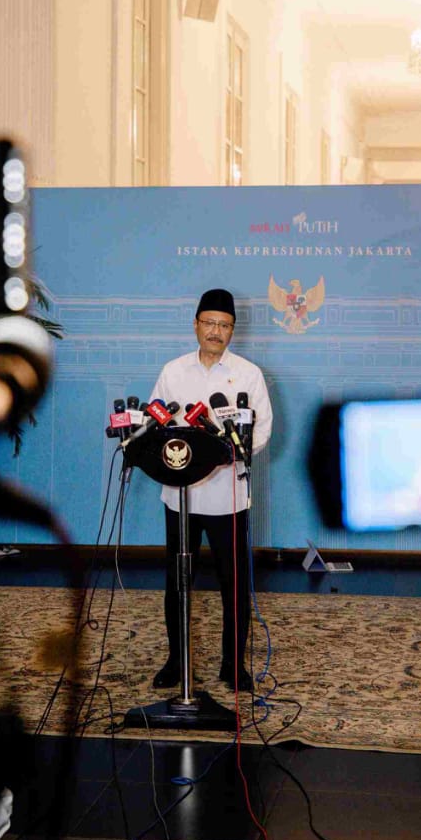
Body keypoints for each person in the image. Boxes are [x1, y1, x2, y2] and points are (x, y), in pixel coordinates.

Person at [148, 288, 273, 692]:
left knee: (232, 585)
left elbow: (262, 429)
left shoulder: (249, 374)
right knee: (177, 581)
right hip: (180, 495)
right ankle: (176, 662)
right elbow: (154, 423)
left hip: (227, 495)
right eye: (209, 323)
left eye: (225, 325)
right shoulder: (173, 371)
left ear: (233, 331)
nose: (216, 331)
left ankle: (232, 666)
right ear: (196, 325)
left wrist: (226, 454)